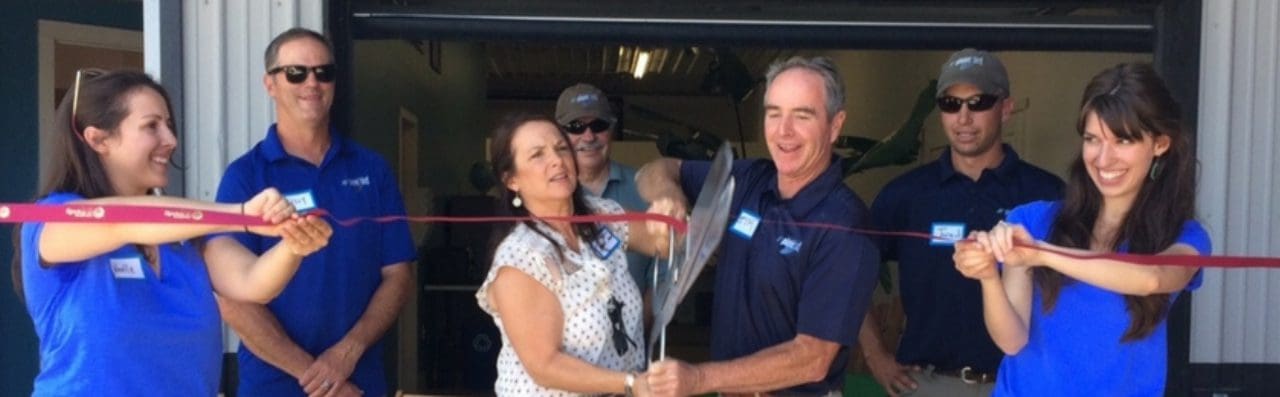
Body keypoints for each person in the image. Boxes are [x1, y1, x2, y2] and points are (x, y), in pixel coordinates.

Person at [14, 69, 332, 396]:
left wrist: (295, 244)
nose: (171, 140)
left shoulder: (182, 233)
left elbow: (253, 282)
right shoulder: (52, 217)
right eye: (151, 126)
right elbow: (122, 220)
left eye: (169, 125)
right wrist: (241, 215)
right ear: (98, 139)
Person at [953, 62, 1209, 396]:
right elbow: (1012, 342)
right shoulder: (1032, 221)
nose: (1104, 158)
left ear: (1160, 144)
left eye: (1123, 140)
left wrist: (1041, 254)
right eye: (1092, 139)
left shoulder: (1184, 237)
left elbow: (1153, 278)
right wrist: (988, 275)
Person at [639, 56, 880, 396]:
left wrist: (699, 379)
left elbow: (812, 358)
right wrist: (668, 197)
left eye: (802, 115)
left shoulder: (845, 223)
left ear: (835, 125)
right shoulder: (748, 179)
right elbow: (656, 169)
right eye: (774, 113)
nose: (784, 131)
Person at [213, 28, 415, 397]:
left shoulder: (372, 169)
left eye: (324, 72)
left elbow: (398, 275)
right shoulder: (246, 176)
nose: (312, 82)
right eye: (296, 73)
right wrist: (315, 375)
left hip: (359, 380)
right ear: (270, 84)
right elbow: (232, 299)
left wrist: (346, 354)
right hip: (274, 384)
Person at [858, 48, 1063, 396]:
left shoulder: (1045, 195)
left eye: (978, 102)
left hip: (1021, 382)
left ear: (1006, 108)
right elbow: (850, 275)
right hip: (927, 382)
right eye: (951, 104)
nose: (963, 117)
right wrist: (876, 356)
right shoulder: (905, 195)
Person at [475, 113, 678, 396]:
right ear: (512, 181)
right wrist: (631, 383)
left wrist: (670, 208)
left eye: (560, 148)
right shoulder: (520, 259)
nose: (557, 160)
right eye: (537, 155)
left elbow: (667, 241)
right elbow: (545, 366)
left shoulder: (600, 216)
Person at [555, 83, 657, 293]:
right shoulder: (548, 193)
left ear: (611, 129)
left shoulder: (645, 187)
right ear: (559, 135)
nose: (589, 136)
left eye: (599, 125)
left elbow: (663, 278)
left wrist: (641, 324)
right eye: (576, 126)